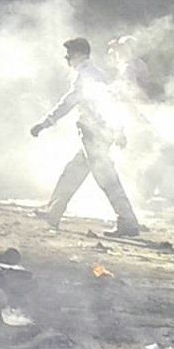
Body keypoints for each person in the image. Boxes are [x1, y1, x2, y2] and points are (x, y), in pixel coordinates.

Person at [31, 36, 140, 236]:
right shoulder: (97, 74)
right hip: (97, 133)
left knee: (107, 179)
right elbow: (113, 104)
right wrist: (119, 130)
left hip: (94, 134)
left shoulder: (85, 75)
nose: (67, 58)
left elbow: (69, 102)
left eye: (70, 54)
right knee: (73, 171)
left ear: (80, 54)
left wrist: (45, 123)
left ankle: (128, 221)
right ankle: (53, 210)